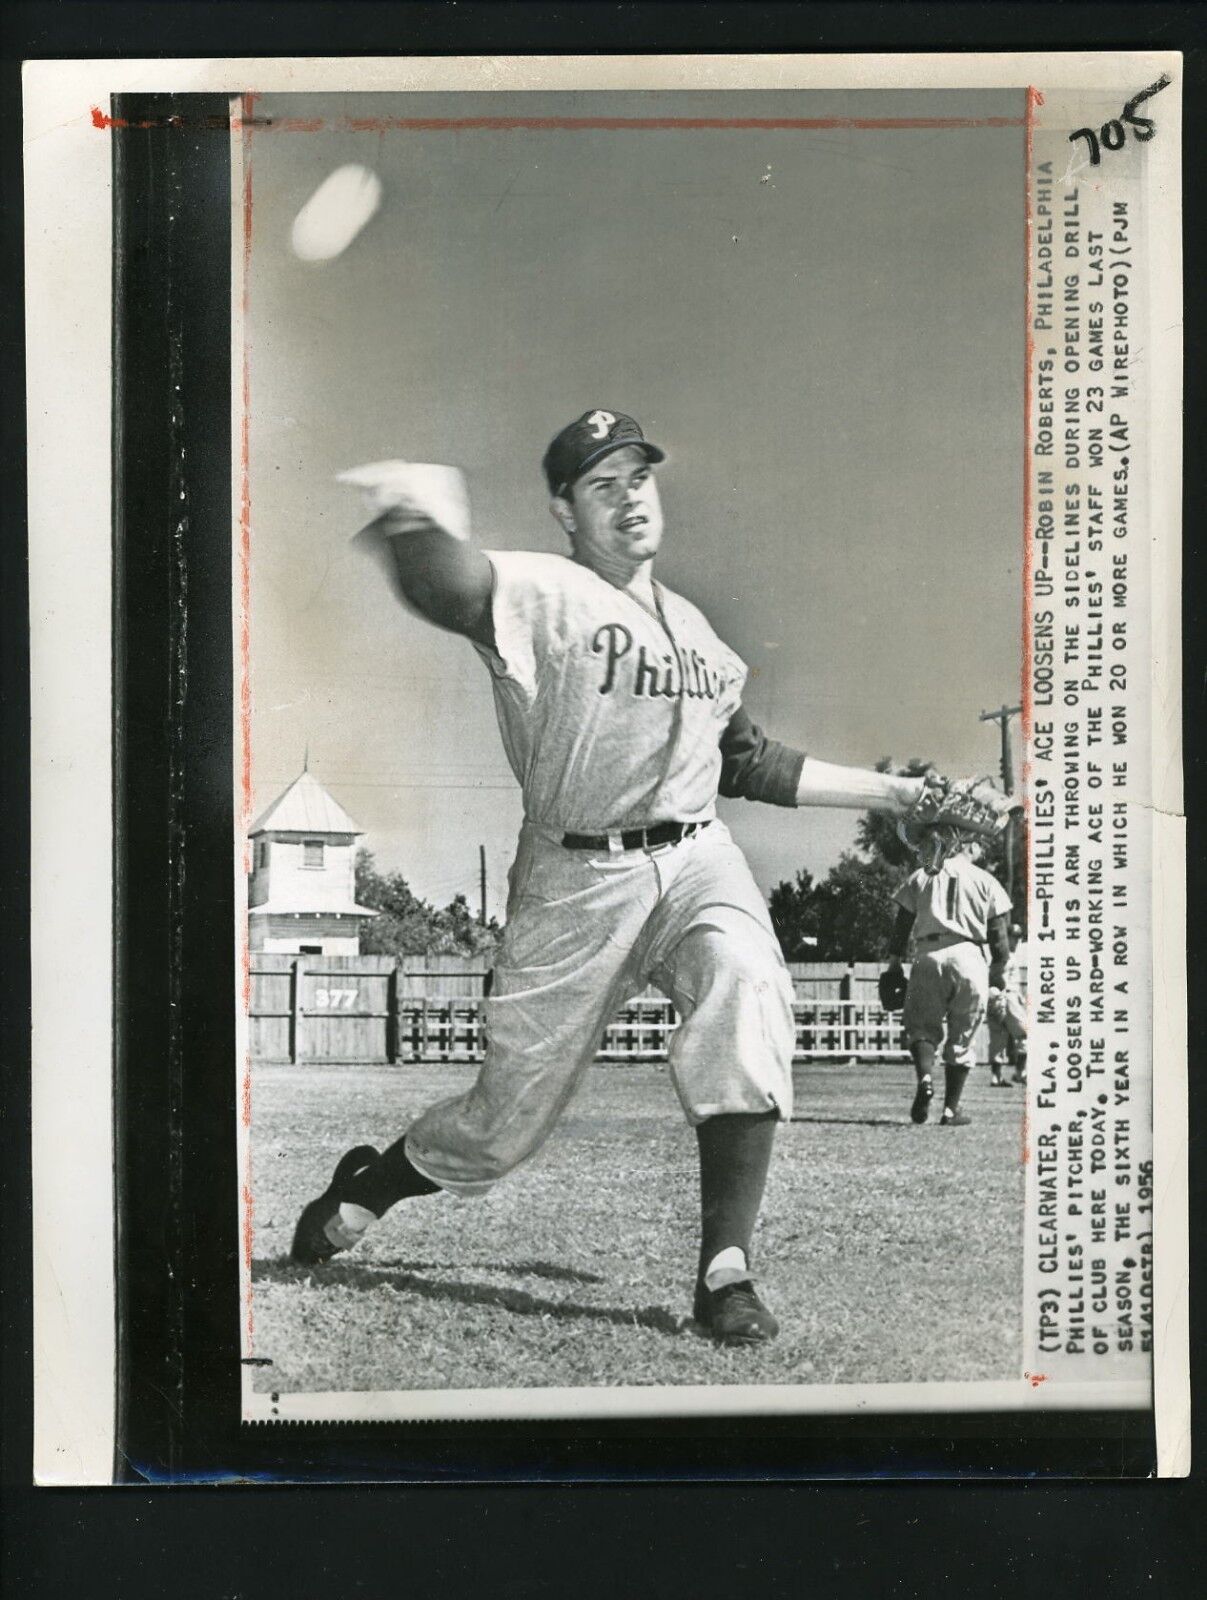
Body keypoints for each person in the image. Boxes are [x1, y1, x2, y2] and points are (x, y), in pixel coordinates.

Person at [290, 408, 932, 1346]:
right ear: (564, 510)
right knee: (500, 1129)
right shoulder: (547, 591)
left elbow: (747, 761)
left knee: (747, 983)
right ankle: (368, 1190)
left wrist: (895, 791)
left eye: (638, 475)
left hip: (694, 857)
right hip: (574, 878)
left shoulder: (699, 634)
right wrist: (411, 517)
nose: (629, 495)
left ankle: (726, 1273)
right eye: (602, 483)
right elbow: (454, 587)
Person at [887, 835, 1012, 1128]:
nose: (981, 850)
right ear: (969, 845)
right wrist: (999, 970)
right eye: (979, 845)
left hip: (928, 953)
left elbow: (903, 921)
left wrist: (894, 961)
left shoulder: (922, 874)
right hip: (969, 955)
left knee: (920, 1028)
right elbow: (999, 934)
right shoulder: (985, 879)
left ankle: (926, 1079)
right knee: (962, 1035)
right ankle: (950, 1111)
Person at [987, 923, 1028, 1086]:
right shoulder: (1006, 957)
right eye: (1013, 937)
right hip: (1007, 997)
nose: (1016, 941)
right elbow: (1000, 979)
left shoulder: (999, 956)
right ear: (1007, 938)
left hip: (996, 997)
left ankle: (996, 1077)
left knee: (998, 1038)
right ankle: (1020, 1072)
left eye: (1018, 937)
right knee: (1025, 1033)